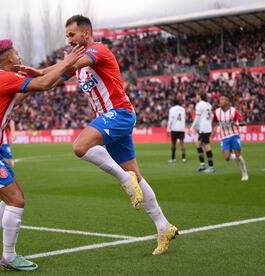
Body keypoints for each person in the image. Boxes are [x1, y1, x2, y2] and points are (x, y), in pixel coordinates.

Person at [16, 15, 178, 255]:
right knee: (137, 176)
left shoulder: (98, 51)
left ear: (86, 33)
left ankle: (124, 180)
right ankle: (164, 227)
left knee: (80, 147)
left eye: (71, 34)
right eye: (67, 35)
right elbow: (55, 78)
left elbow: (72, 65)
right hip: (110, 119)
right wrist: (39, 73)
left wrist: (49, 69)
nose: (68, 39)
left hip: (119, 113)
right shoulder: (77, 65)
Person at [0, 39, 84, 271]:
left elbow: (25, 93)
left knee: (13, 196)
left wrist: (67, 72)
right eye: (17, 53)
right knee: (16, 200)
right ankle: (9, 256)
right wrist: (67, 62)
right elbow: (44, 83)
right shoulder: (5, 78)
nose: (19, 57)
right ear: (9, 58)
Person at [213, 95, 248, 181]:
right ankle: (237, 157)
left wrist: (236, 124)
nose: (220, 101)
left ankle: (244, 173)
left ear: (227, 102)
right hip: (224, 137)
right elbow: (214, 121)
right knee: (227, 157)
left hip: (234, 135)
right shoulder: (217, 112)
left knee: (238, 154)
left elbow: (243, 122)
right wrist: (214, 130)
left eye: (222, 99)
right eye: (220, 99)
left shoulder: (233, 111)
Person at [190, 91, 215, 173]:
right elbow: (211, 116)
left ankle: (211, 167)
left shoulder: (199, 104)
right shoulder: (208, 105)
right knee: (198, 145)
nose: (196, 96)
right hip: (207, 127)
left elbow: (197, 118)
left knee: (207, 146)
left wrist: (192, 127)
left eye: (197, 95)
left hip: (204, 128)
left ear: (200, 96)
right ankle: (202, 165)